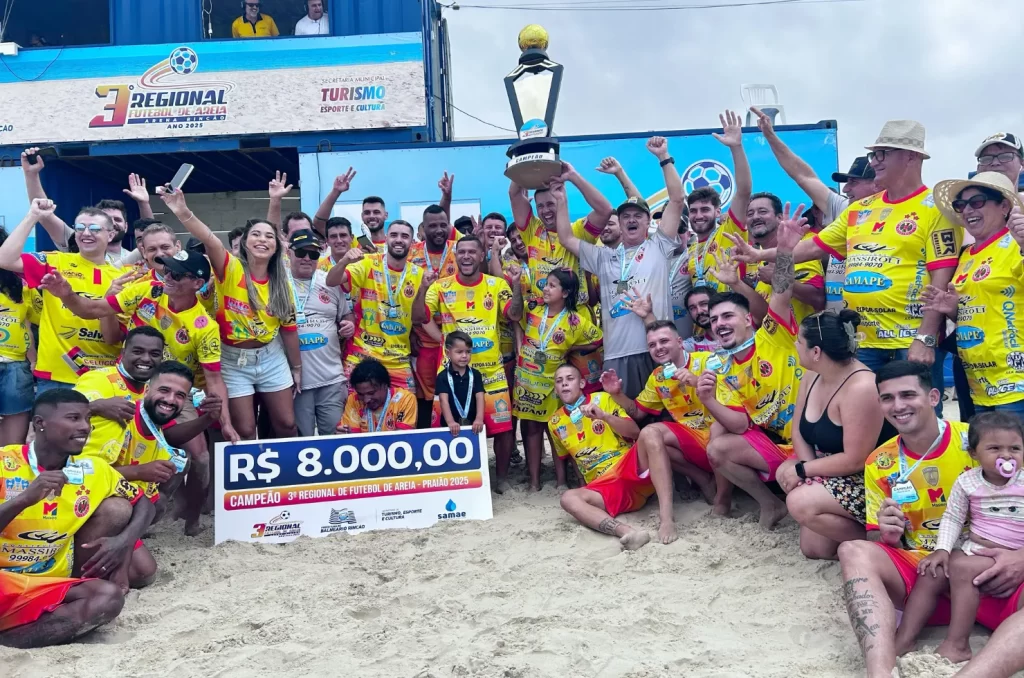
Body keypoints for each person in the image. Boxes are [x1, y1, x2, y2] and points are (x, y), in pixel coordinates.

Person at [727, 120, 961, 395]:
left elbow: (941, 279)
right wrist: (757, 254)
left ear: (911, 156)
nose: (875, 162)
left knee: (914, 419)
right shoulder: (859, 208)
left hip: (908, 339)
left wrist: (925, 337)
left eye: (882, 153)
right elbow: (814, 246)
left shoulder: (936, 208)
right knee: (864, 418)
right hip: (861, 338)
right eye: (874, 154)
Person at [836, 361, 1024, 678]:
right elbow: (874, 542)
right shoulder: (879, 462)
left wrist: (1021, 556)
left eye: (908, 394)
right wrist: (886, 534)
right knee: (852, 550)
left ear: (934, 396)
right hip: (925, 576)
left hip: (995, 571)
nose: (898, 406)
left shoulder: (983, 443)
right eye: (887, 398)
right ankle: (880, 672)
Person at [0, 390, 156, 646]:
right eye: (73, 418)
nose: (84, 427)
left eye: (86, 419)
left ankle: (11, 643)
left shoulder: (93, 469)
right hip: (4, 580)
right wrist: (25, 499)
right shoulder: (5, 463)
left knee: (109, 598)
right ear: (40, 424)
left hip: (48, 581)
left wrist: (124, 542)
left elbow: (144, 504)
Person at [157, 187, 299, 440]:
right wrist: (182, 211)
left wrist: (296, 367)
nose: (262, 240)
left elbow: (289, 329)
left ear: (277, 246)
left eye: (269, 237)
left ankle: (287, 477)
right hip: (233, 359)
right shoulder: (230, 268)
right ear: (244, 242)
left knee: (287, 424)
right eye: (255, 234)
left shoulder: (282, 281)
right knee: (244, 430)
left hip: (271, 357)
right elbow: (209, 238)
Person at [698, 204, 808, 528]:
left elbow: (783, 292)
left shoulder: (772, 335)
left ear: (748, 320)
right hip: (776, 445)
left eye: (727, 316)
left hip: (814, 443)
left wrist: (785, 251)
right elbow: (738, 426)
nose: (719, 324)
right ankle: (770, 504)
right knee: (717, 449)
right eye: (715, 319)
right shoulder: (721, 367)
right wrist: (708, 400)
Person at [554, 136, 683, 399]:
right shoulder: (604, 257)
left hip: (656, 348)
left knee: (665, 420)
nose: (632, 220)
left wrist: (663, 157)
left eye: (638, 216)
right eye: (626, 217)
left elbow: (678, 199)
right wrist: (563, 197)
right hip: (616, 353)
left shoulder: (658, 245)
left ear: (649, 223)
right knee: (624, 420)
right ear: (619, 224)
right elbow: (566, 238)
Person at [894, 412, 1024, 662]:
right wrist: (942, 550)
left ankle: (958, 644)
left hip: (1011, 554)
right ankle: (904, 638)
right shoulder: (968, 482)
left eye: (1015, 448)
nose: (1006, 456)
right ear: (974, 453)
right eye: (995, 448)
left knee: (962, 566)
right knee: (932, 572)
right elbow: (953, 518)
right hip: (976, 548)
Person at [775, 310, 897, 560]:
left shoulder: (861, 386)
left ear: (816, 352)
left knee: (800, 500)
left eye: (799, 341)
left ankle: (879, 542)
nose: (796, 346)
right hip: (831, 468)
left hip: (870, 478)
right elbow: (798, 431)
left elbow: (856, 459)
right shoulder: (812, 375)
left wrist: (804, 472)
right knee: (814, 549)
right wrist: (808, 469)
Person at [416, 236, 522, 492]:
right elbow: (420, 317)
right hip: (452, 374)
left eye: (472, 252)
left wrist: (516, 285)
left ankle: (501, 479)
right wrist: (422, 291)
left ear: (482, 254)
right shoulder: (440, 287)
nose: (466, 256)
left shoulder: (497, 285)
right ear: (455, 255)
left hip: (491, 373)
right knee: (445, 428)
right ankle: (450, 478)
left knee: (504, 429)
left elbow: (514, 314)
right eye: (461, 251)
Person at [601, 320, 718, 542]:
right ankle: (667, 517)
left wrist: (696, 381)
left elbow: (734, 398)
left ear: (680, 341)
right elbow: (637, 412)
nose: (658, 348)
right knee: (649, 434)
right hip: (690, 442)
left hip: (720, 438)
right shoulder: (658, 377)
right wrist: (616, 394)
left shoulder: (707, 361)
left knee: (653, 435)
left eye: (664, 341)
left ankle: (710, 484)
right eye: (652, 345)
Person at [923, 172, 1024, 418]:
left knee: (1011, 455)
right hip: (978, 381)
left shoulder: (1016, 244)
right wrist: (954, 310)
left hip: (1016, 381)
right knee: (987, 455)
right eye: (961, 205)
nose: (967, 210)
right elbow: (986, 311)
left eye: (977, 201)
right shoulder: (966, 255)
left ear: (1004, 206)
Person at [0, 199, 126, 393]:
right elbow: (5, 259)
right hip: (56, 376)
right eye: (80, 228)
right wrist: (32, 216)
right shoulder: (55, 261)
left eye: (94, 228)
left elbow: (116, 336)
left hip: (104, 377)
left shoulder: (124, 277)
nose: (86, 233)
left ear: (111, 234)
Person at [552, 364, 664, 551]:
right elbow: (572, 458)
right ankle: (626, 532)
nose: (564, 384)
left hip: (628, 469)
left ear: (581, 383)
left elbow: (635, 432)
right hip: (605, 488)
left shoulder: (602, 399)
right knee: (568, 499)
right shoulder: (554, 422)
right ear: (555, 389)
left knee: (650, 434)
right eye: (559, 381)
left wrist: (604, 417)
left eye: (569, 379)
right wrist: (581, 483)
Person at [514, 268, 602, 490]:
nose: (545, 288)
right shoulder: (533, 307)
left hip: (554, 383)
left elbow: (598, 339)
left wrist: (572, 347)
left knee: (557, 429)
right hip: (527, 380)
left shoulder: (575, 320)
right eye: (546, 284)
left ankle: (562, 480)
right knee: (531, 429)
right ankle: (534, 481)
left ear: (566, 293)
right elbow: (514, 317)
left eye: (552, 286)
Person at [113, 361, 223, 521]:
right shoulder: (118, 416)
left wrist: (209, 418)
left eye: (180, 395)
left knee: (178, 467)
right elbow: (89, 472)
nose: (170, 400)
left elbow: (172, 435)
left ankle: (188, 518)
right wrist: (139, 472)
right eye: (164, 390)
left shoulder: (156, 417)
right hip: (102, 497)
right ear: (147, 390)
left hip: (136, 493)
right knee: (118, 510)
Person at [326, 220, 422, 391]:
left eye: (404, 236)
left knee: (406, 410)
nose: (399, 240)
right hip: (362, 354)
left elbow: (421, 317)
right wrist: (344, 261)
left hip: (397, 359)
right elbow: (331, 280)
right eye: (394, 235)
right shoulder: (368, 263)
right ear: (386, 239)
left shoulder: (419, 274)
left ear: (412, 242)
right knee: (353, 411)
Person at [509, 158, 613, 313]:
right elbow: (514, 193)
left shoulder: (578, 231)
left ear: (561, 200)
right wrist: (526, 159)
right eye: (540, 206)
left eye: (551, 204)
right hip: (541, 315)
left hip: (576, 315)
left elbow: (605, 210)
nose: (545, 211)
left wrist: (573, 176)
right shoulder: (532, 229)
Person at [287, 232, 354, 437]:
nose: (307, 258)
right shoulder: (277, 282)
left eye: (313, 254)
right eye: (301, 252)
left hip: (331, 378)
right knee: (302, 440)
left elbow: (347, 314)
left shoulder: (330, 281)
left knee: (334, 438)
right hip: (295, 382)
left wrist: (349, 325)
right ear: (289, 253)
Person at [681, 112, 753, 293]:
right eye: (694, 210)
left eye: (705, 209)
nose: (698, 216)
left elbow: (744, 192)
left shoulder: (729, 231)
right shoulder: (690, 252)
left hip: (735, 317)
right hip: (704, 320)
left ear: (717, 211)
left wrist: (736, 147)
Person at [71, 327, 165, 464]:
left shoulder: (154, 390)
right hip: (87, 473)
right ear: (123, 352)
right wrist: (95, 406)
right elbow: (63, 413)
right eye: (138, 352)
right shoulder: (99, 379)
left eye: (155, 354)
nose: (146, 359)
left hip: (126, 474)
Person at [740, 192, 826, 325]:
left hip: (801, 343)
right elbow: (765, 314)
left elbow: (818, 299)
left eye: (762, 211)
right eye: (750, 214)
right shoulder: (761, 258)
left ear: (779, 217)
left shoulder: (799, 250)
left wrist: (778, 276)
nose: (755, 217)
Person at [408, 205, 461, 418]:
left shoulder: (460, 249)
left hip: (455, 339)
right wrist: (410, 332)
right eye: (433, 226)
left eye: (443, 224)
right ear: (423, 228)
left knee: (457, 393)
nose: (439, 230)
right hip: (423, 341)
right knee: (426, 399)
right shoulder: (411, 253)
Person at [0, 229, 38, 446]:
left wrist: (33, 361)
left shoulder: (21, 287)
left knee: (12, 447)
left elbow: (26, 325)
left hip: (16, 366)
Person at [337, 358, 417, 433]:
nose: (366, 400)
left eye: (371, 393)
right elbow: (352, 438)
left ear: (385, 385)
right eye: (361, 394)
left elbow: (402, 439)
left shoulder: (405, 399)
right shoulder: (354, 399)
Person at [435, 332, 485, 437]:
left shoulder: (475, 374)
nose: (464, 356)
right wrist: (450, 422)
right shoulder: (442, 376)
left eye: (468, 352)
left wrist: (479, 419)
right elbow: (443, 400)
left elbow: (480, 397)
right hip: (450, 427)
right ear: (448, 353)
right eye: (459, 352)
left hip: (473, 425)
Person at [311, 168, 356, 239]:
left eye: (343, 235)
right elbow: (318, 223)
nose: (339, 240)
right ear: (327, 240)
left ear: (351, 238)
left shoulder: (358, 245)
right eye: (333, 236)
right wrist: (336, 191)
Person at [682, 286, 720, 352]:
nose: (699, 311)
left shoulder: (738, 334)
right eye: (692, 308)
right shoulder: (693, 344)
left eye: (704, 304)